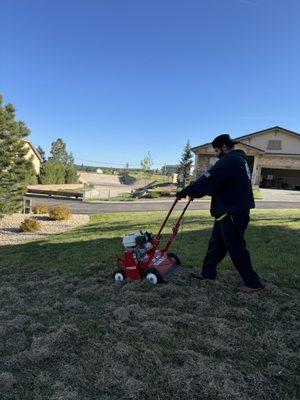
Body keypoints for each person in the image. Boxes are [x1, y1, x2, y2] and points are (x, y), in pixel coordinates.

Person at [177, 134, 264, 293]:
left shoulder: (229, 161)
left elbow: (208, 179)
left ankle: (253, 283)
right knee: (216, 244)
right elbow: (222, 185)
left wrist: (187, 191)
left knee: (236, 248)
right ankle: (207, 273)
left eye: (217, 150)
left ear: (224, 147)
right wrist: (197, 191)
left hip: (232, 212)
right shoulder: (240, 161)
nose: (216, 154)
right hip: (229, 210)